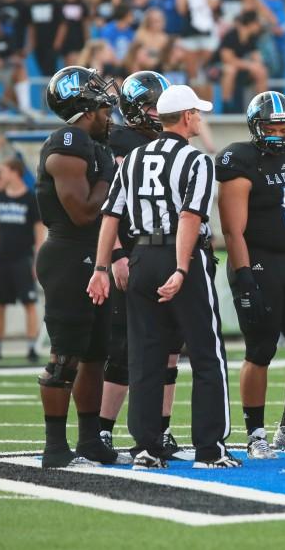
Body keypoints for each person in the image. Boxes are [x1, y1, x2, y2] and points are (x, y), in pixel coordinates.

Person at [90, 84, 238, 469]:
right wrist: (182, 267)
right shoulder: (197, 161)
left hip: (140, 256)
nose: (200, 119)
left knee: (145, 356)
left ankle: (145, 447)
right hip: (179, 254)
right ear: (187, 116)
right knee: (208, 354)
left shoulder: (134, 157)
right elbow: (190, 216)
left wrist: (101, 268)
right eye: (197, 113)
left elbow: (110, 216)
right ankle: (210, 448)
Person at [216, 91, 285, 459]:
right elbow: (233, 229)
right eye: (271, 125)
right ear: (255, 127)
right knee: (260, 349)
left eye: (284, 124)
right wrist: (244, 275)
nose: (279, 131)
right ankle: (256, 434)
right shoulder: (239, 159)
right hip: (257, 260)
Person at [96, 71, 192, 461]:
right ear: (136, 110)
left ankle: (163, 429)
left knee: (171, 348)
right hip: (135, 251)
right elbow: (110, 204)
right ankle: (103, 430)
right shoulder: (119, 142)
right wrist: (115, 255)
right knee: (124, 348)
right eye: (153, 105)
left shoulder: (171, 141)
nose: (159, 111)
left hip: (168, 250)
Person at [34, 66, 121, 468]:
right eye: (103, 107)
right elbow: (84, 211)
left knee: (94, 355)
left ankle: (89, 439)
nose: (109, 114)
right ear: (85, 108)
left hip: (93, 256)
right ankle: (55, 446)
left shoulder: (93, 146)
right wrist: (111, 176)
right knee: (65, 355)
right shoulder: (68, 142)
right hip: (69, 255)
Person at [0, 157, 43, 363]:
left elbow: (38, 233)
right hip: (2, 258)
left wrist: (37, 260)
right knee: (0, 303)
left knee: (29, 303)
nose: (1, 175)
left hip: (22, 258)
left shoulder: (30, 198)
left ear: (15, 172)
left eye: (4, 171)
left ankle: (32, 347)